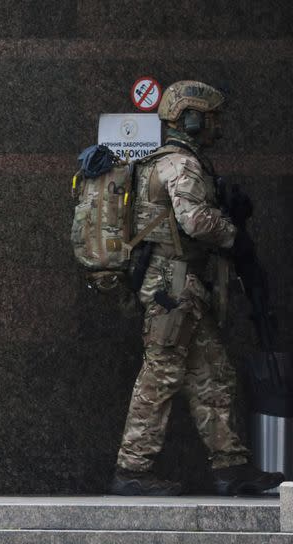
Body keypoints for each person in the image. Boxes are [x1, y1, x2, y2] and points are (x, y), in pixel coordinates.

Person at [110, 80, 284, 496]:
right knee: (161, 374)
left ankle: (231, 467)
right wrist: (233, 234)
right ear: (189, 117)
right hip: (172, 285)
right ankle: (131, 470)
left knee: (213, 372)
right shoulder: (179, 164)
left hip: (183, 286)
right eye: (210, 118)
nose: (216, 126)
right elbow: (194, 221)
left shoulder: (173, 161)